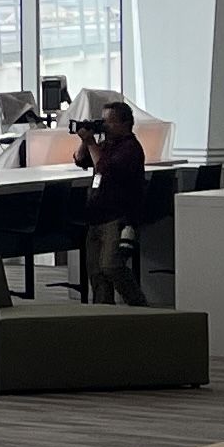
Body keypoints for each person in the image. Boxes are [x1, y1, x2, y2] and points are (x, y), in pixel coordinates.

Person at [75, 100, 150, 304]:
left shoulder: (130, 148)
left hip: (116, 216)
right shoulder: (106, 145)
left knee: (111, 266)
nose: (104, 126)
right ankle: (104, 315)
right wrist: (85, 140)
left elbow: (105, 169)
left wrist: (91, 142)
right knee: (97, 273)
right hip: (96, 215)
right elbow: (80, 159)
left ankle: (139, 305)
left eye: (109, 122)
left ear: (125, 123)